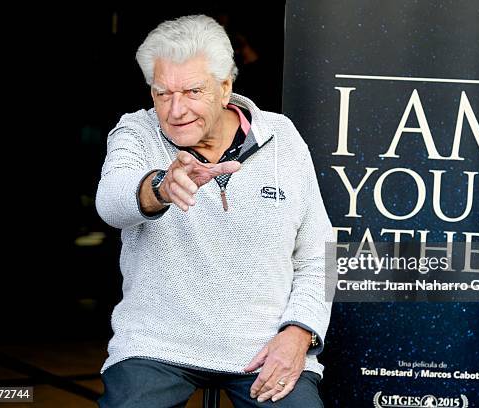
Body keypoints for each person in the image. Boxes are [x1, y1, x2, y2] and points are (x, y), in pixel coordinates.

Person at [95, 14, 334, 407]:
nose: (175, 110)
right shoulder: (136, 132)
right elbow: (111, 201)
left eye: (192, 91)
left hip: (263, 347)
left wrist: (301, 331)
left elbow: (320, 254)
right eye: (162, 93)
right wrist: (160, 187)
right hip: (156, 345)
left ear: (225, 88)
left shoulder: (283, 139)